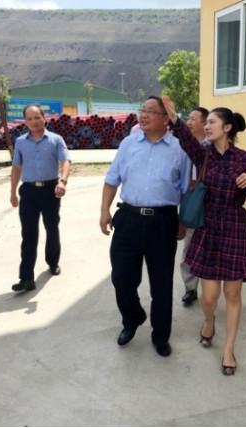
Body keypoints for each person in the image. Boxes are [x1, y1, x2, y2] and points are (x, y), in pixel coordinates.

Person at [163, 95, 246, 376]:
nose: (206, 126)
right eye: (205, 123)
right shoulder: (203, 154)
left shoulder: (244, 158)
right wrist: (174, 118)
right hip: (208, 227)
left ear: (227, 127)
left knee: (232, 295)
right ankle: (209, 320)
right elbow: (186, 139)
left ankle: (229, 350)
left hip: (233, 227)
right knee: (209, 297)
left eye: (212, 122)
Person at [100, 96, 189, 358]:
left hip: (163, 221)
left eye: (151, 111)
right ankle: (133, 318)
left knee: (161, 284)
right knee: (121, 278)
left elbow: (186, 189)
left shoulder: (179, 148)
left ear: (166, 118)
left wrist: (182, 220)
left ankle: (160, 336)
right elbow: (112, 179)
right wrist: (104, 210)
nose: (144, 115)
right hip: (128, 218)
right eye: (142, 110)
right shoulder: (128, 144)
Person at [10, 104, 71, 292]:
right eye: (29, 119)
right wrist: (12, 192)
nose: (34, 122)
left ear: (44, 118)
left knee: (51, 227)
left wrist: (63, 181)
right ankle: (26, 278)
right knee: (28, 233)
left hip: (50, 191)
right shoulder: (20, 142)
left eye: (37, 117)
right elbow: (17, 167)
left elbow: (65, 161)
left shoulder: (56, 140)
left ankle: (52, 262)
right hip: (28, 192)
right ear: (25, 121)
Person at [180, 106, 209, 306]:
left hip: (208, 203)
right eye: (188, 118)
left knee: (209, 250)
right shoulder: (183, 147)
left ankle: (209, 289)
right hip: (191, 202)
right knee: (188, 249)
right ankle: (190, 288)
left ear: (204, 124)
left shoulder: (212, 146)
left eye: (193, 119)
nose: (188, 122)